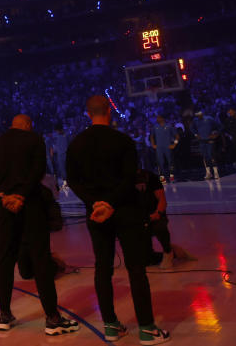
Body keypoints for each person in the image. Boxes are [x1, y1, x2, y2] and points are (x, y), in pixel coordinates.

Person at [67, 95, 171, 345]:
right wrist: (111, 202)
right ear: (109, 112)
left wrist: (96, 203)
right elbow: (129, 179)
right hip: (124, 210)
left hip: (96, 214)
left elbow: (73, 181)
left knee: (103, 268)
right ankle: (146, 328)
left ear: (87, 113)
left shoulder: (76, 144)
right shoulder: (123, 141)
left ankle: (111, 326)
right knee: (136, 268)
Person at [0, 114, 78, 335]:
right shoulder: (33, 140)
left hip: (5, 207)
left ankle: (4, 314)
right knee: (40, 259)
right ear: (27, 125)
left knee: (4, 259)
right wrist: (21, 196)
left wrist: (3, 196)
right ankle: (52, 318)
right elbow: (37, 172)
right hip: (31, 206)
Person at [150, 116, 178, 182]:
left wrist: (174, 144)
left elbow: (177, 136)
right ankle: (162, 177)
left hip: (168, 147)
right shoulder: (155, 127)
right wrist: (153, 144)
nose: (157, 119)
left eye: (158, 118)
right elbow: (151, 136)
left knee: (170, 162)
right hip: (159, 148)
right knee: (160, 163)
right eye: (157, 118)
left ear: (162, 118)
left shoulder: (169, 126)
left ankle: (172, 176)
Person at [194, 111, 220, 179]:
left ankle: (216, 172)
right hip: (202, 141)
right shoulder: (196, 121)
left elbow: (218, 126)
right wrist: (196, 134)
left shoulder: (209, 119)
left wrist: (215, 134)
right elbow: (192, 128)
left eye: (199, 114)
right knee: (205, 157)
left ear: (202, 114)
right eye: (197, 115)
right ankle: (208, 173)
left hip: (210, 140)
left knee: (211, 155)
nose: (198, 116)